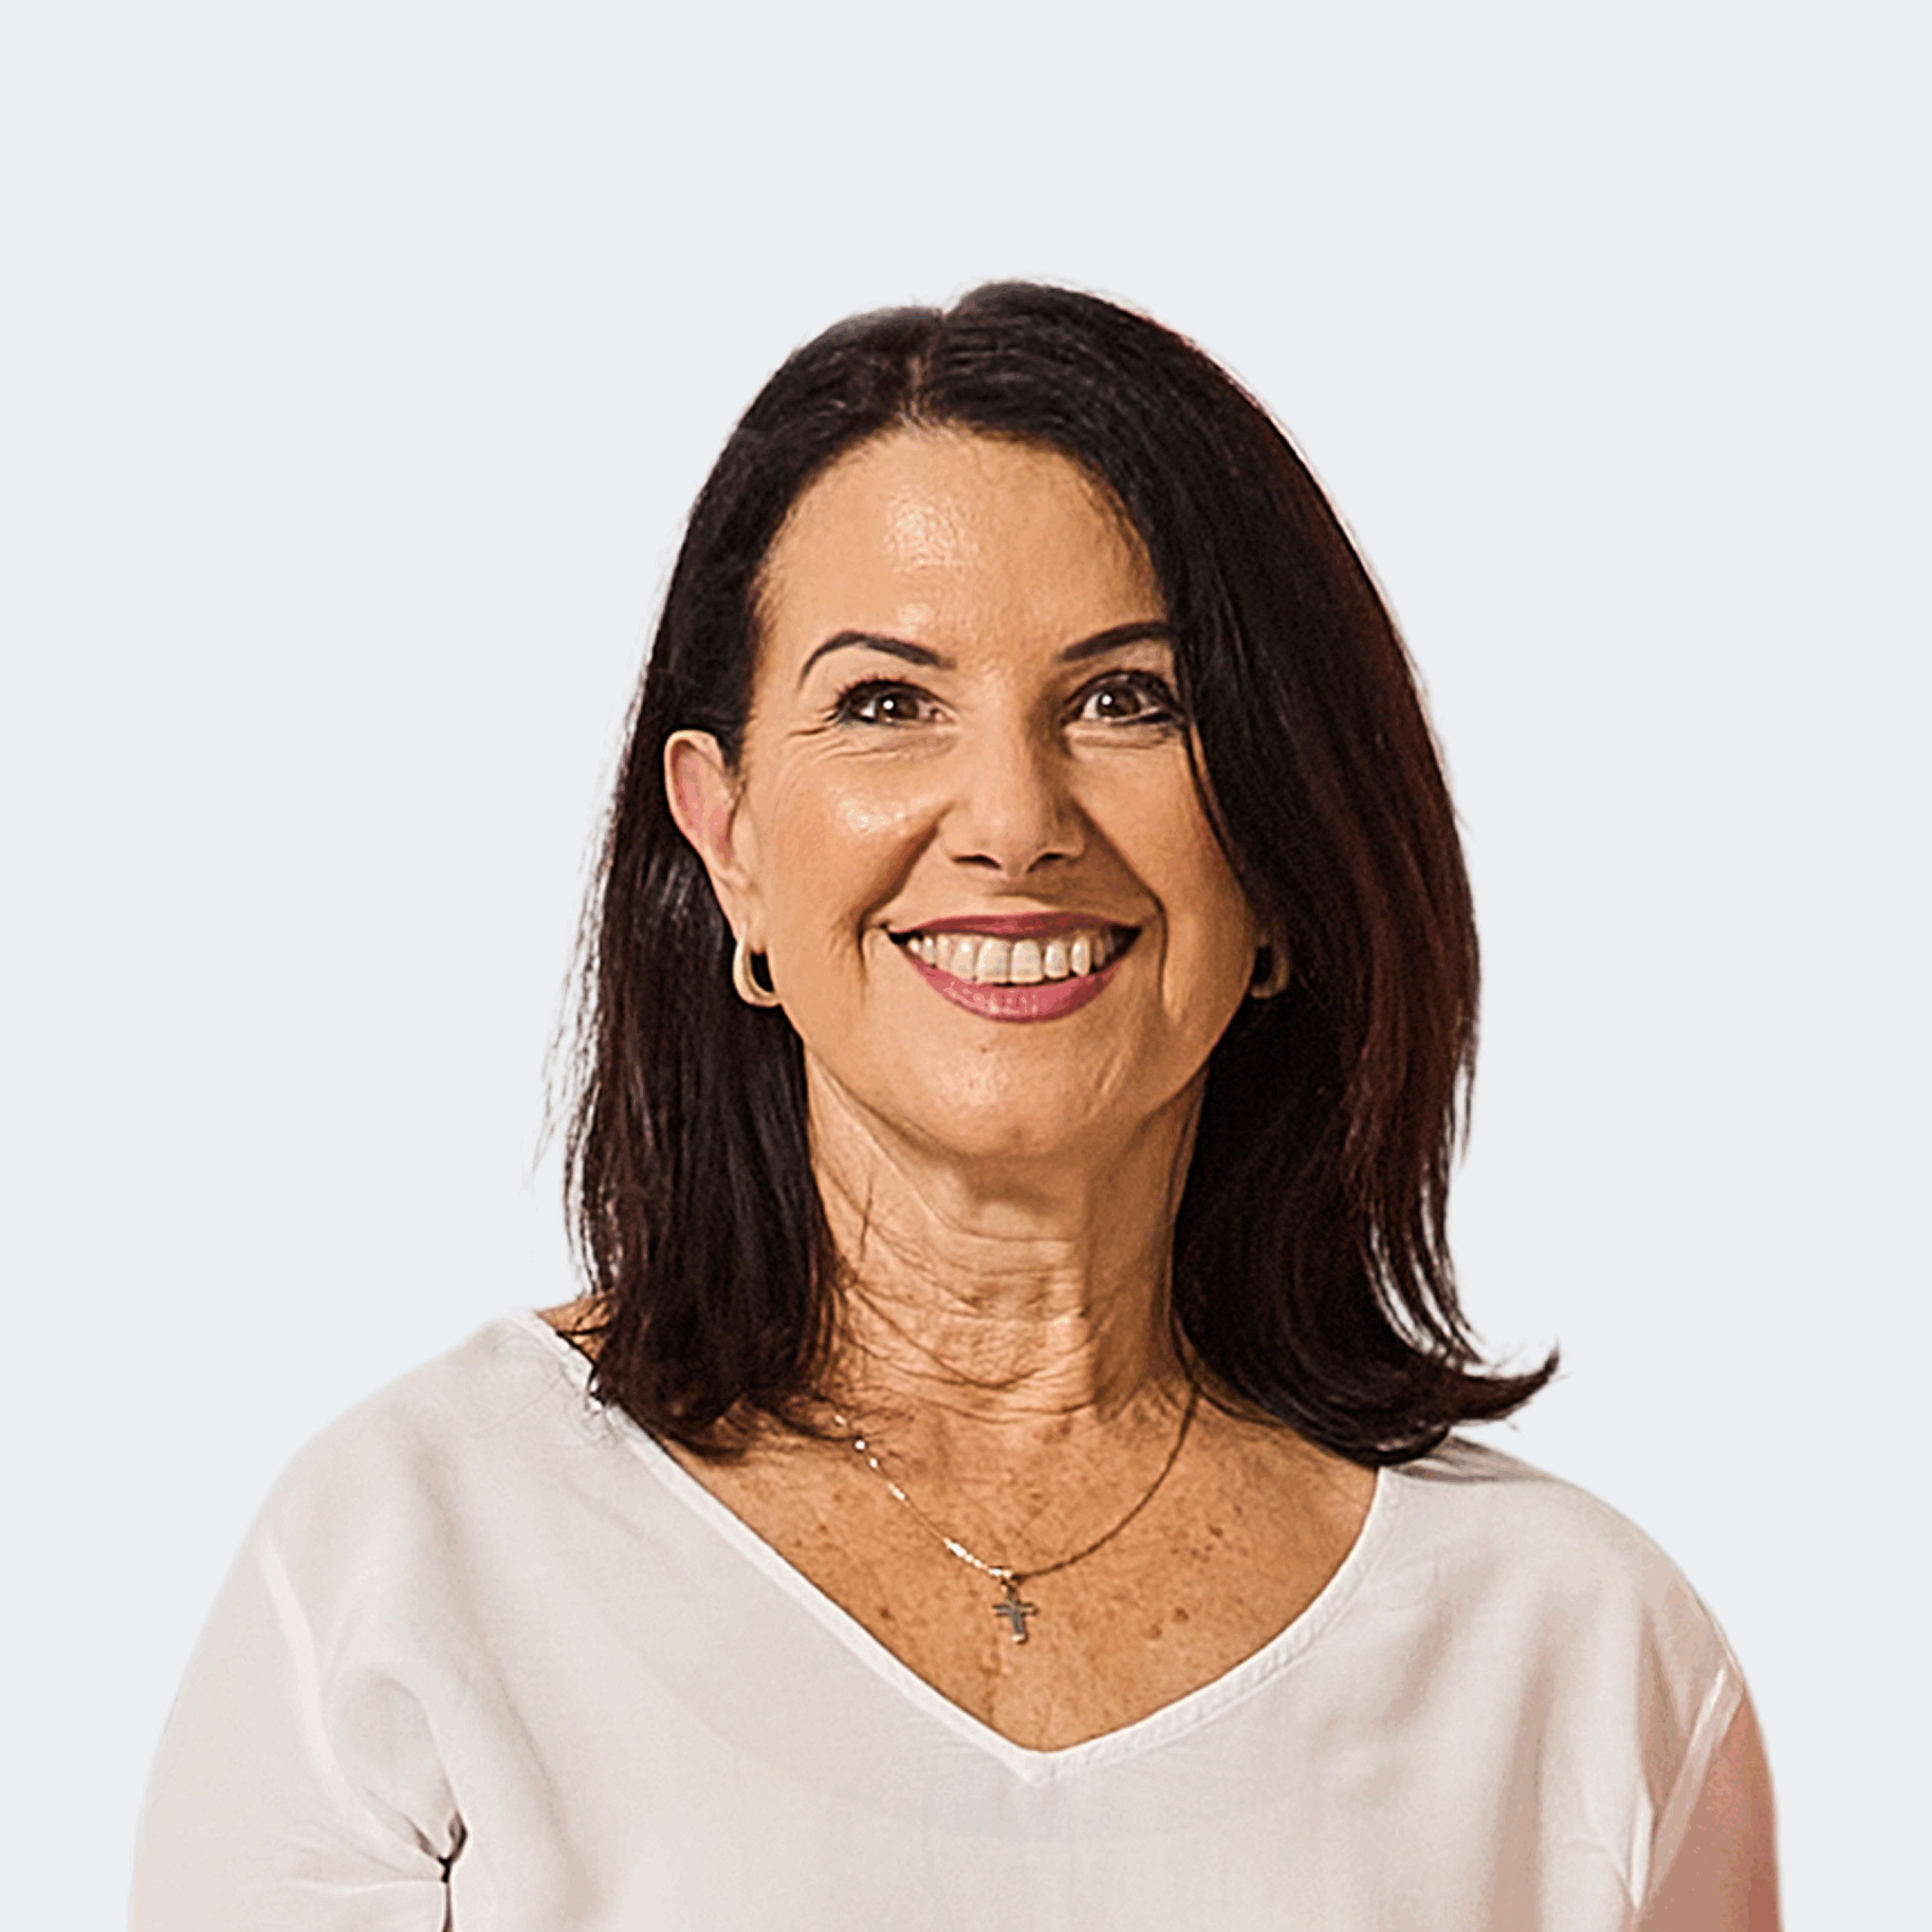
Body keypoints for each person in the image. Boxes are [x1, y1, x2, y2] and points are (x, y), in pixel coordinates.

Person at [130, 283, 1779, 1930]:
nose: (1011, 818)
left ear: (1287, 845)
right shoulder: (410, 1562)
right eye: (884, 703)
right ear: (728, 839)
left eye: (1128, 698)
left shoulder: (1581, 1658)